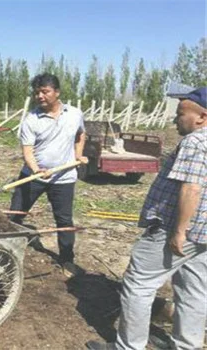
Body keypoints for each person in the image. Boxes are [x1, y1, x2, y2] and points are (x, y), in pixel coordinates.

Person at [86, 87, 207, 350]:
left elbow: (192, 188)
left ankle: (129, 347)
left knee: (138, 284)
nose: (175, 119)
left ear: (202, 117)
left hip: (176, 227)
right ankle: (187, 346)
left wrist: (179, 231)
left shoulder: (196, 142)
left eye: (181, 113)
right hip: (204, 233)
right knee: (193, 289)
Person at [8, 73, 88, 275]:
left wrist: (78, 154)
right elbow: (27, 151)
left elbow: (81, 134)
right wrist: (36, 170)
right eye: (37, 93)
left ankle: (67, 259)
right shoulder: (31, 120)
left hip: (64, 178)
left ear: (57, 92)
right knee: (15, 214)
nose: (40, 96)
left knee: (64, 220)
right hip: (33, 176)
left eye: (45, 91)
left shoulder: (74, 114)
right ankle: (6, 252)